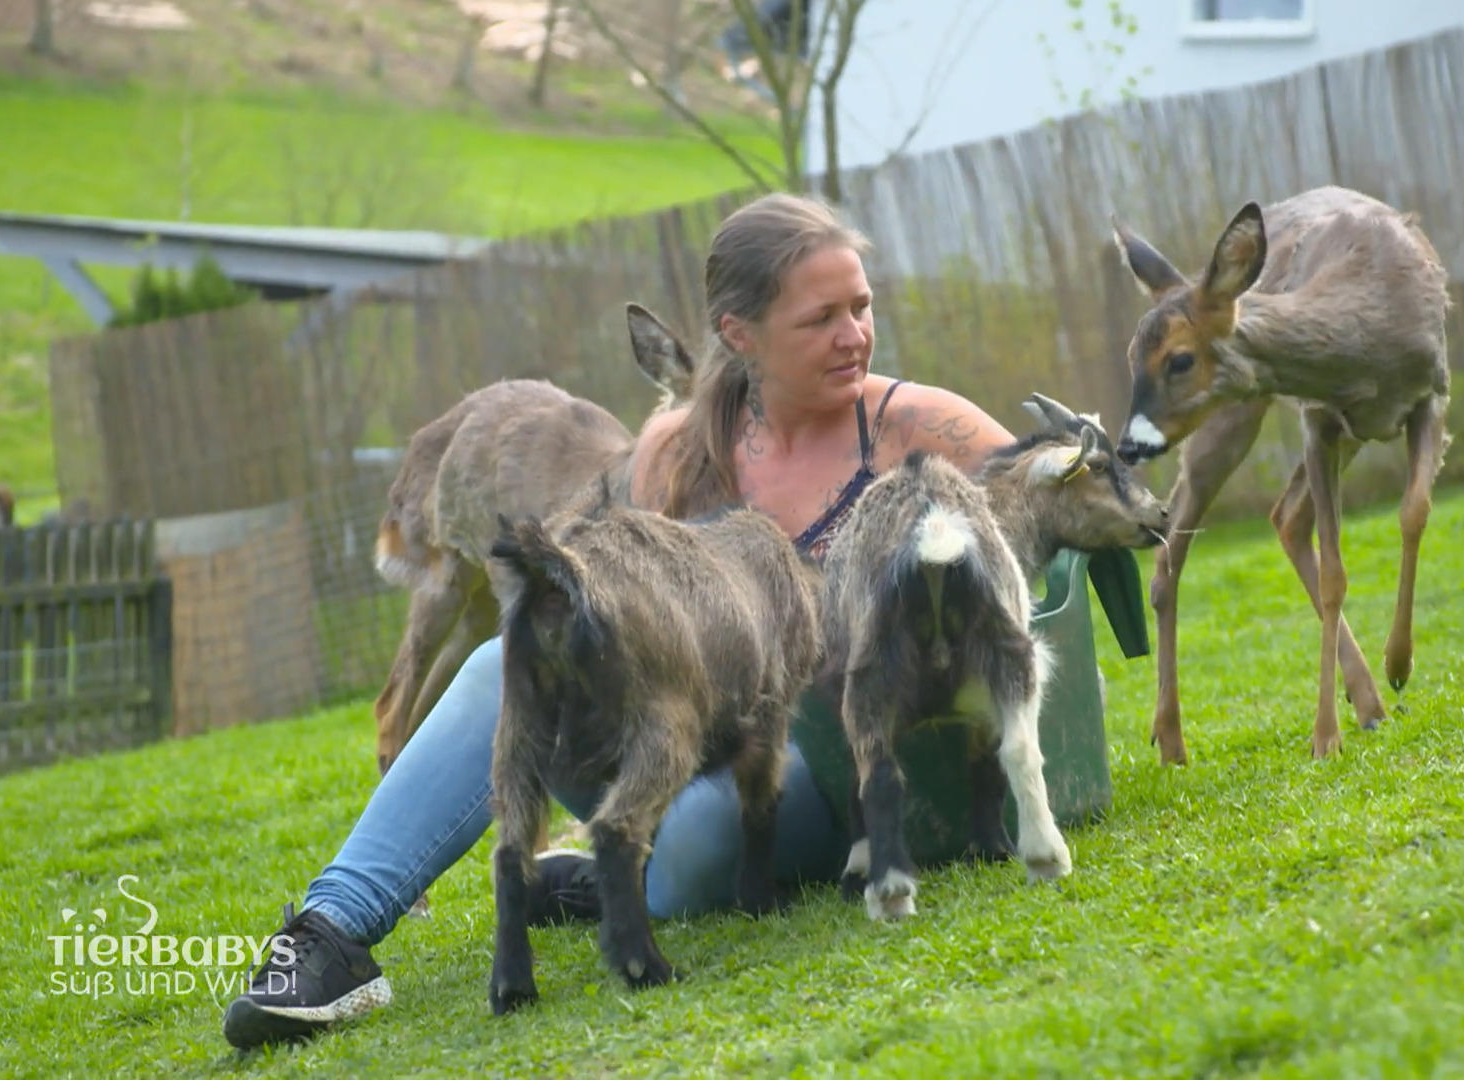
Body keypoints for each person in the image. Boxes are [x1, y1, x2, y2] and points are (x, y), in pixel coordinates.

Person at [222, 192, 1022, 1050]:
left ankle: (598, 877)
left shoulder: (917, 426)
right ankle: (332, 935)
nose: (854, 335)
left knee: (709, 840)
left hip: (839, 776)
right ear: (740, 334)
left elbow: (1053, 507)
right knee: (504, 666)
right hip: (684, 742)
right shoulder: (679, 452)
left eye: (860, 307)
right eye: (820, 318)